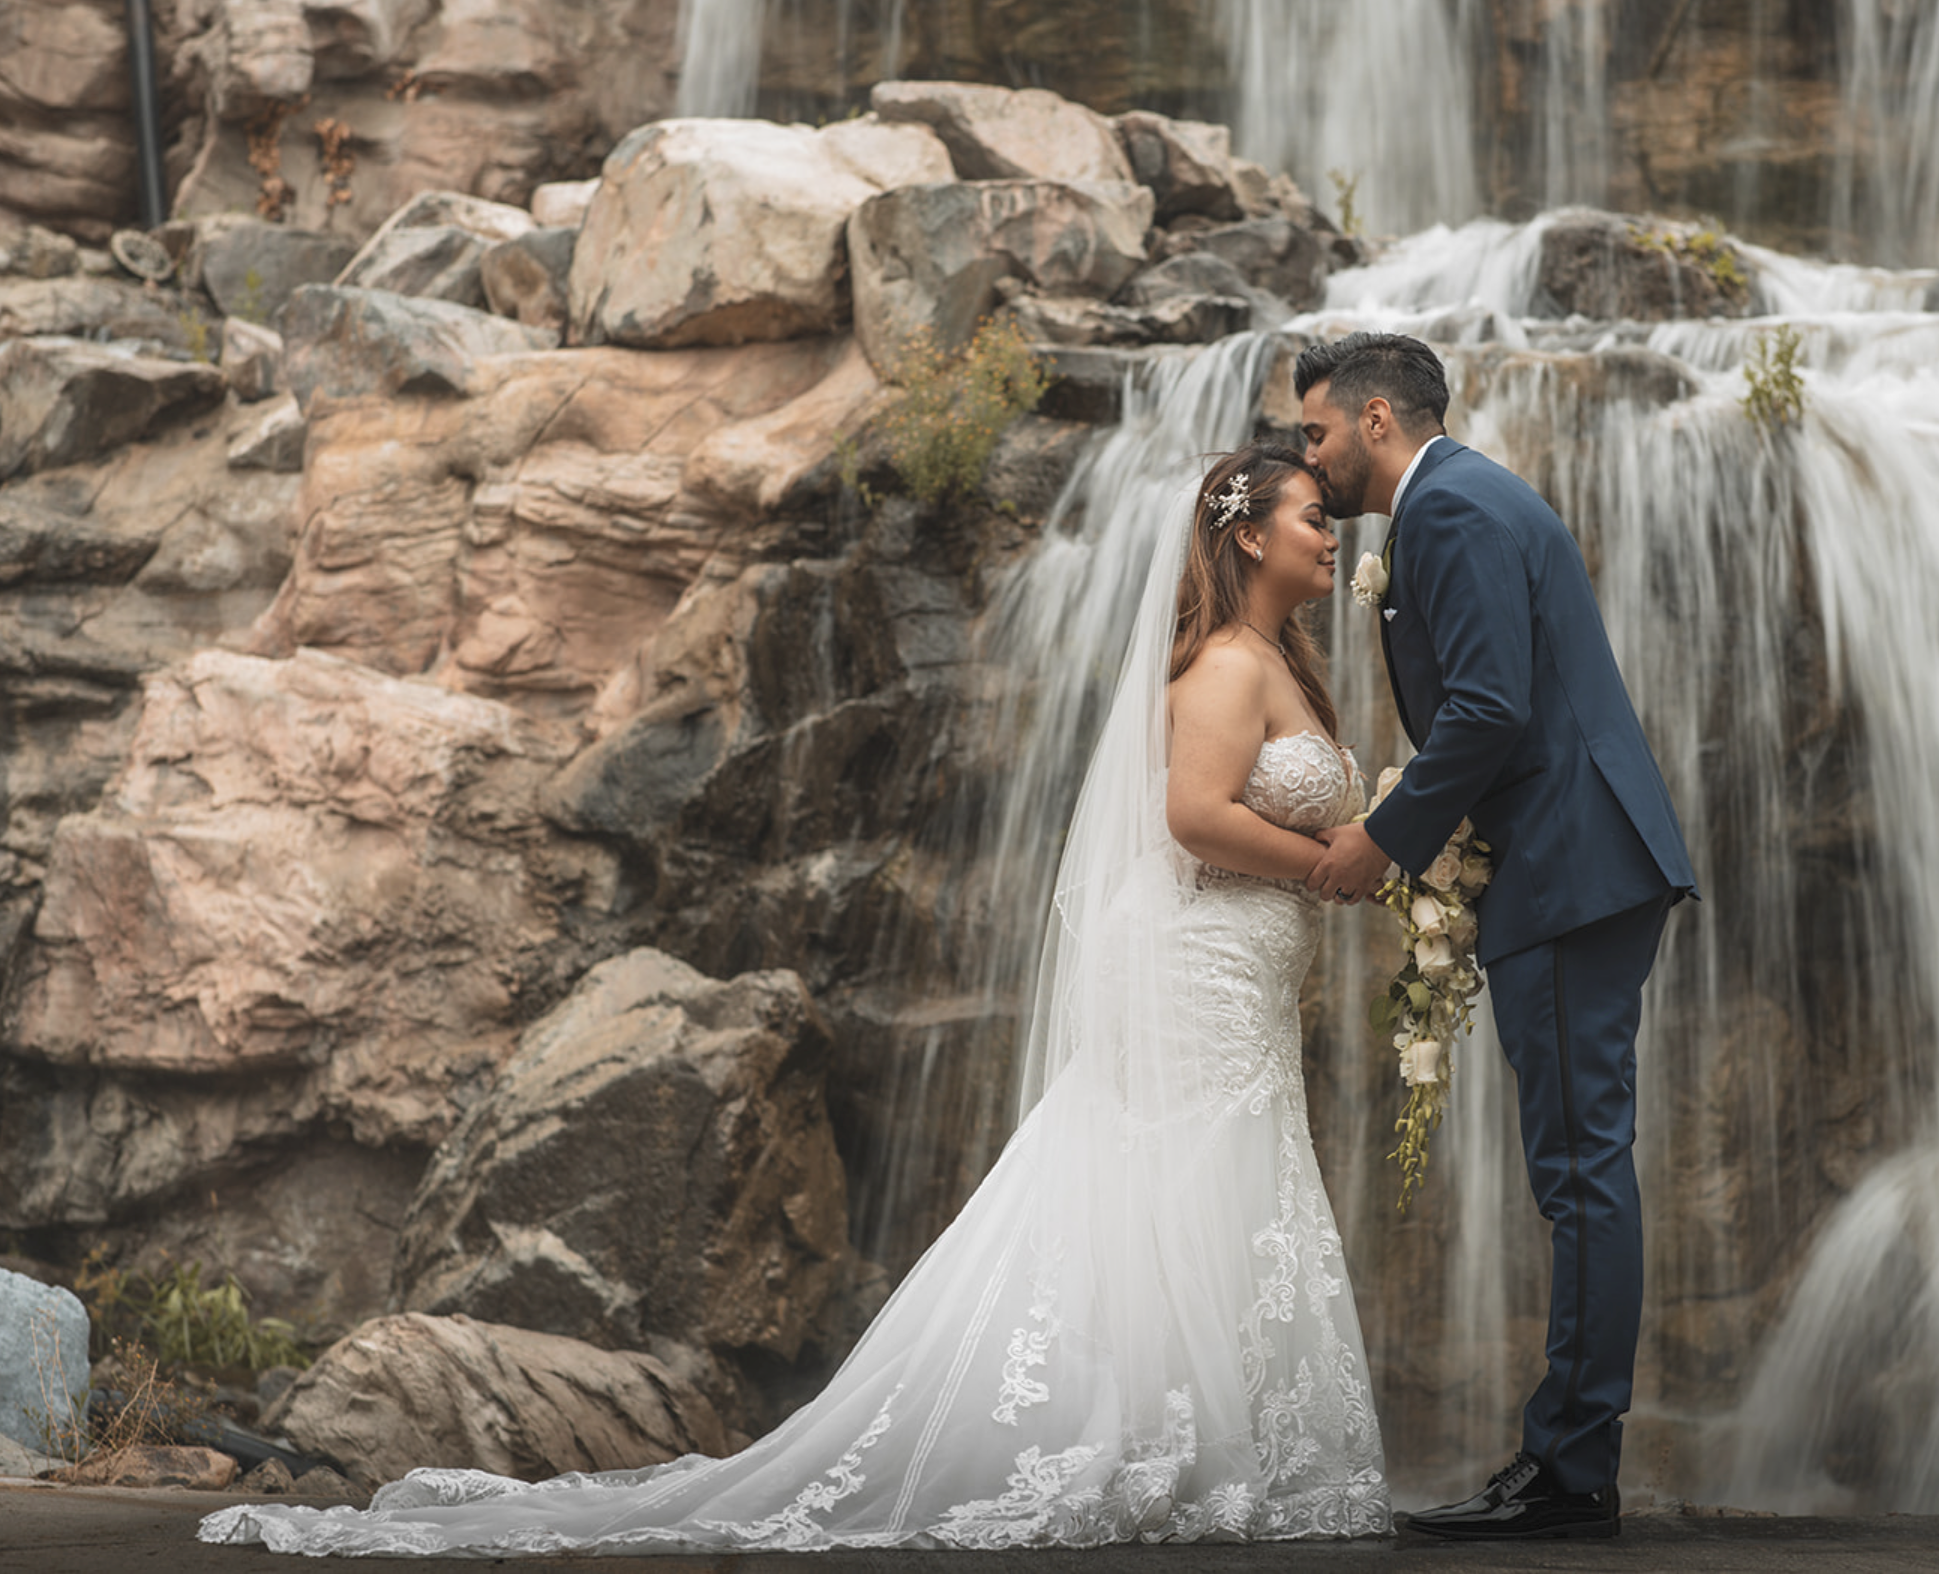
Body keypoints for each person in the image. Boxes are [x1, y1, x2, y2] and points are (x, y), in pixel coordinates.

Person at [197, 441, 1393, 1555]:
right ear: (1245, 538)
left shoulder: (1278, 659)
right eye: (1308, 516)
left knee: (1209, 1171)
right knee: (1169, 1173)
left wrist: (1339, 857)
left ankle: (1204, 1434)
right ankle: (1157, 1439)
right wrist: (1333, 861)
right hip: (1193, 955)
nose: (1328, 533)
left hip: (1228, 955)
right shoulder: (1232, 663)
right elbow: (1193, 817)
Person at [1298, 332, 1696, 1542]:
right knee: (1581, 1167)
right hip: (1569, 861)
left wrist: (1388, 839)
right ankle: (1568, 1456)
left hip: (1572, 869)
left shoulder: (1451, 513)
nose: (1305, 460)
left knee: (1581, 1169)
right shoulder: (1468, 498)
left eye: (1315, 432)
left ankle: (1571, 1470)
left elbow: (1487, 706)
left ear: (1376, 420)